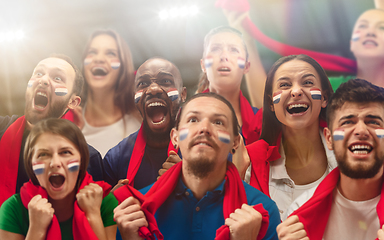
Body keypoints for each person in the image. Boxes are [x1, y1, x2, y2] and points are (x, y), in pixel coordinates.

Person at [113, 92, 281, 240]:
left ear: (235, 142)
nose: (204, 128)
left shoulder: (262, 212)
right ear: (175, 138)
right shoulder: (138, 211)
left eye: (218, 122)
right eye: (193, 120)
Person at [218, 1, 384, 107]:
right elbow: (267, 105)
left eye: (381, 27)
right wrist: (244, 33)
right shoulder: (335, 88)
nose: (369, 32)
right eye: (362, 26)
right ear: (352, 44)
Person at [277, 79, 384, 240]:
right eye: (348, 122)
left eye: (373, 122)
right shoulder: (299, 212)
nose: (361, 131)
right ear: (329, 139)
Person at [0, 55, 104, 206]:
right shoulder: (3, 128)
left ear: (73, 102)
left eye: (57, 78)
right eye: (39, 73)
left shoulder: (86, 159)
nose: (43, 80)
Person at [241, 55, 336, 219]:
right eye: (284, 85)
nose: (296, 91)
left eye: (307, 82)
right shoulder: (249, 161)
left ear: (324, 98)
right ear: (271, 104)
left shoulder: (349, 151)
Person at [0, 118, 117, 240]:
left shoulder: (104, 202)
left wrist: (93, 216)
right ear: (31, 164)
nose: (55, 163)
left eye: (65, 152)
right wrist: (36, 230)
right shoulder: (13, 208)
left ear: (82, 161)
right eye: (43, 154)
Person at [103, 57, 187, 189]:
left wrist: (190, 182)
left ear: (183, 94)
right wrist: (111, 203)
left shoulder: (206, 148)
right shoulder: (116, 158)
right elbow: (96, 207)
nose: (153, 89)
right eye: (143, 83)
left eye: (165, 81)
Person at [74, 29, 141, 157]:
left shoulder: (139, 127)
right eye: (92, 52)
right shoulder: (68, 124)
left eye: (111, 53)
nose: (99, 59)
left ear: (123, 65)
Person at [196, 26, 261, 145]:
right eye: (215, 49)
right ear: (203, 65)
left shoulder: (263, 123)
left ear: (246, 66)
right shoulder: (182, 119)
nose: (224, 56)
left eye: (234, 50)